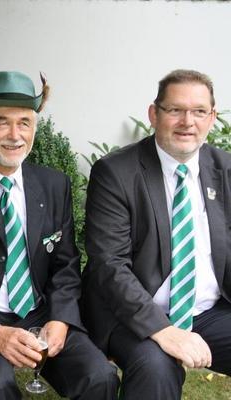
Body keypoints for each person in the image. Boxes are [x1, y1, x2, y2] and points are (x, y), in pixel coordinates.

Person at [0, 70, 119, 399]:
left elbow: (66, 264)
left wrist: (61, 318)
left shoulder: (54, 184)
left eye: (24, 123)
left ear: (34, 129)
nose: (15, 135)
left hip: (41, 312)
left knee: (100, 377)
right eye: (3, 122)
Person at [82, 69, 231, 399]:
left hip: (206, 310)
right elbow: (109, 265)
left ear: (212, 118)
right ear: (154, 114)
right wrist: (162, 329)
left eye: (199, 111)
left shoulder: (226, 170)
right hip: (132, 314)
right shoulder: (115, 173)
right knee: (156, 368)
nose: (187, 122)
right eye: (175, 110)